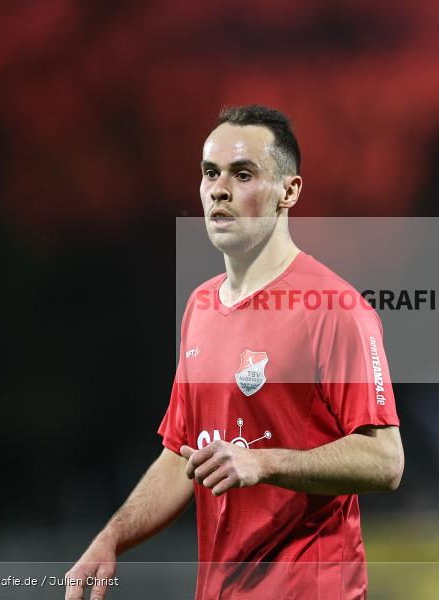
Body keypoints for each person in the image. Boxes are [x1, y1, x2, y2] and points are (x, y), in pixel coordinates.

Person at [65, 105, 404, 600]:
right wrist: (112, 537)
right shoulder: (201, 306)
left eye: (242, 174)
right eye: (210, 173)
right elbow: (181, 456)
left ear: (289, 191)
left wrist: (264, 463)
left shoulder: (334, 308)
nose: (218, 189)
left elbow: (386, 460)